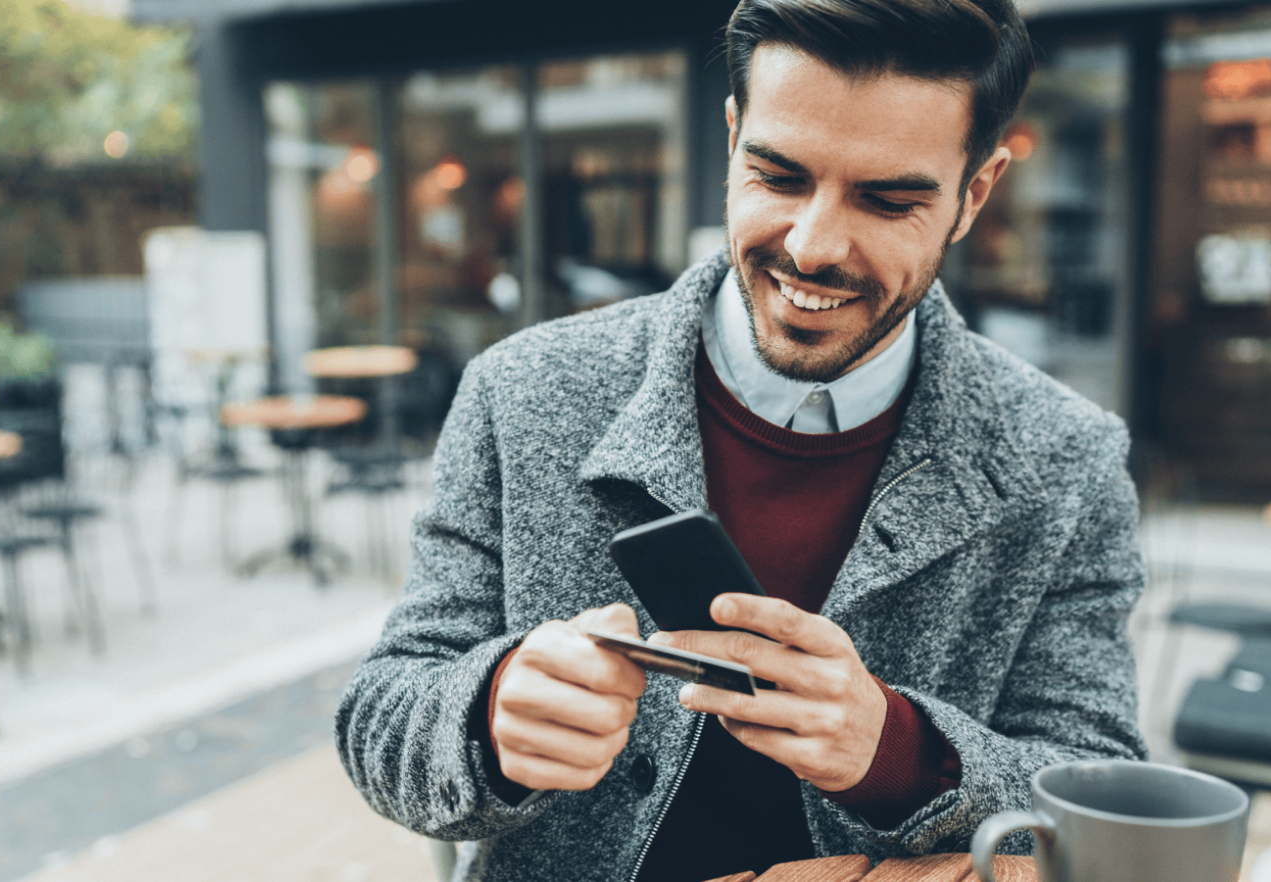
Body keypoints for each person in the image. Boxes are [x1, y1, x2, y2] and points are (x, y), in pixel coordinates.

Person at [336, 1, 1147, 879]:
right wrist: (487, 716)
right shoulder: (521, 391)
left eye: (888, 199)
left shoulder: (1069, 462)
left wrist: (899, 753)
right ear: (731, 140)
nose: (813, 246)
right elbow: (382, 716)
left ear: (973, 195)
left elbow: (1101, 803)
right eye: (780, 176)